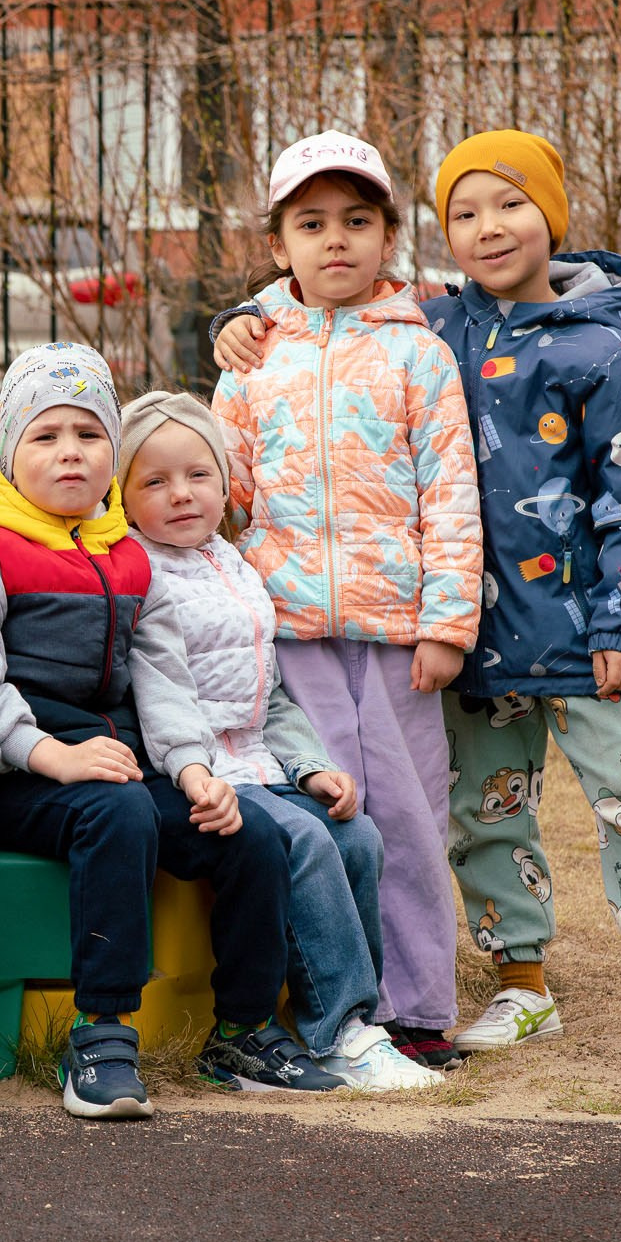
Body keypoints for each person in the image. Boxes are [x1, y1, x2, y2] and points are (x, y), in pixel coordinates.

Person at [213, 129, 621, 1064]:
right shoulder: (439, 325)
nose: (489, 227)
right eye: (464, 213)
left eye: (511, 204)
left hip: (581, 632)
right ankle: (520, 983)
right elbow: (324, 310)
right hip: (478, 637)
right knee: (487, 813)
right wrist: (244, 316)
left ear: (552, 214)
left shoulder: (600, 345)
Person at [0, 341, 343, 1117]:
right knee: (120, 811)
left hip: (125, 762)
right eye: (46, 435)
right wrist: (52, 755)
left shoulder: (128, 555)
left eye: (89, 434)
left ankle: (244, 1029)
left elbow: (165, 680)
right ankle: (101, 1031)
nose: (70, 452)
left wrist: (195, 771)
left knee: (249, 831)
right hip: (26, 773)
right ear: (9, 450)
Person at [206, 130, 483, 1071]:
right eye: (312, 223)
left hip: (399, 634)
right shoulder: (251, 359)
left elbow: (452, 493)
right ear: (278, 244)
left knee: (408, 819)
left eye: (357, 221)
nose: (336, 239)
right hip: (287, 631)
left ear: (387, 237)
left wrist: (447, 624)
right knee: (324, 814)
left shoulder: (420, 355)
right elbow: (226, 492)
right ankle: (329, 996)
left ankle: (417, 1005)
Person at [118, 390, 441, 1091]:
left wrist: (311, 766)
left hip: (258, 760)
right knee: (306, 842)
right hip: (195, 768)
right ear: (125, 497)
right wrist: (195, 771)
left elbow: (269, 693)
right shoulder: (139, 572)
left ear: (223, 482)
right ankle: (340, 1032)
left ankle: (350, 1018)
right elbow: (160, 692)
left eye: (198, 475)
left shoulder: (231, 563)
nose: (181, 494)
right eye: (155, 480)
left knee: (358, 836)